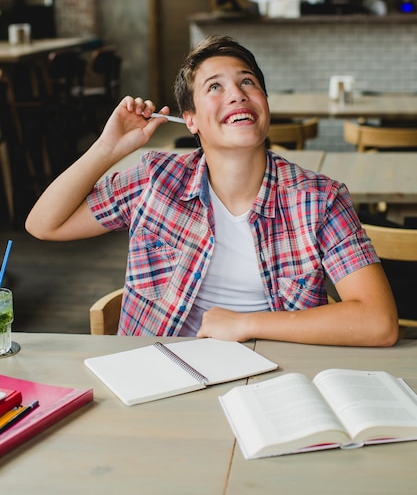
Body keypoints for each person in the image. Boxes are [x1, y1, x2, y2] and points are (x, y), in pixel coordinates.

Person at [25, 35, 399, 346]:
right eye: (215, 86)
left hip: (276, 379)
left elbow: (379, 321)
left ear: (264, 104)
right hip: (160, 380)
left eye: (247, 82)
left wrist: (246, 324)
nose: (237, 94)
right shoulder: (155, 179)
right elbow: (45, 224)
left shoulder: (318, 198)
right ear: (190, 120)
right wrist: (107, 149)